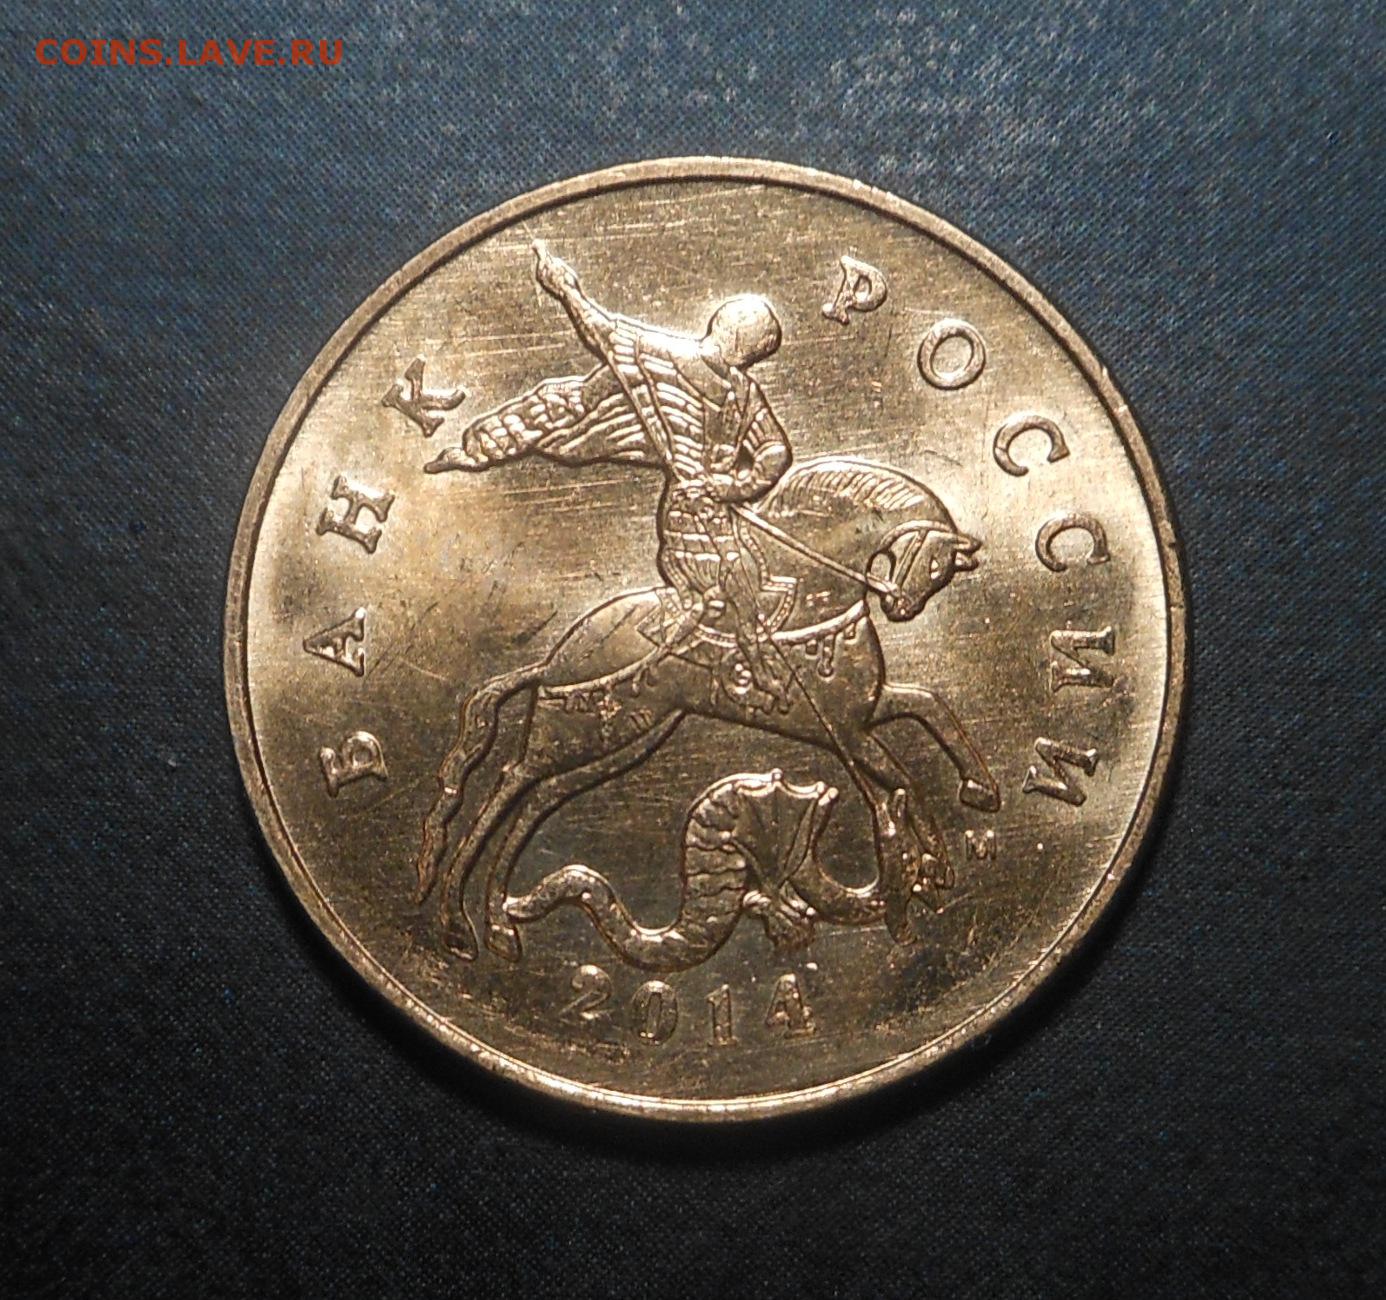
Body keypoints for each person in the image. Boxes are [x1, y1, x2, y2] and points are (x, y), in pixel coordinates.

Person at [430, 243, 795, 711]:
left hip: (719, 509)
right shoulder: (662, 355)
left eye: (758, 353)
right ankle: (697, 671)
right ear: (735, 335)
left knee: (753, 572)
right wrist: (566, 290)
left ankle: (737, 661)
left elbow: (775, 451)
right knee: (728, 583)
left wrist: (729, 487)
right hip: (687, 515)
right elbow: (601, 329)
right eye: (755, 347)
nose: (753, 358)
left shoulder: (744, 392)